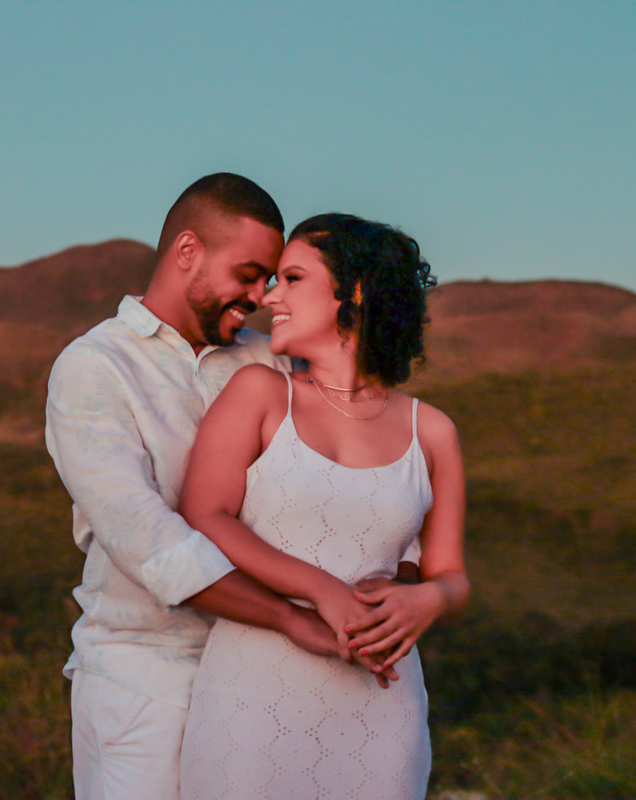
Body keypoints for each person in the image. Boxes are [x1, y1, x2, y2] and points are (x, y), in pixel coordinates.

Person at [46, 178, 405, 800]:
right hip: (146, 678)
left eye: (273, 279)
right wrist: (290, 618)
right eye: (249, 273)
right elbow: (150, 544)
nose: (262, 297)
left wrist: (404, 580)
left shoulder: (272, 363)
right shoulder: (95, 367)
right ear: (187, 251)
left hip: (266, 680)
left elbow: (356, 465)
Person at [178, 213, 470, 799]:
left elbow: (452, 576)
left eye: (291, 278)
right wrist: (322, 590)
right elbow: (204, 516)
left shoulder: (432, 431)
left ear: (353, 291)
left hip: (381, 708)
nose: (269, 297)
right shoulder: (260, 393)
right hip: (253, 700)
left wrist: (427, 600)